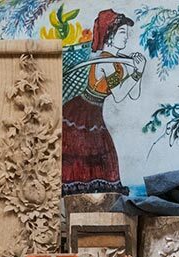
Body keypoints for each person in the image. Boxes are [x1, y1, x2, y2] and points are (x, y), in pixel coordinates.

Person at [62, 9, 144, 195]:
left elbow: (133, 94)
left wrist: (137, 73)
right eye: (122, 32)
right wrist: (137, 73)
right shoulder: (105, 61)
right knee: (89, 155)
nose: (126, 37)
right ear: (109, 35)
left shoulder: (119, 61)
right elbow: (120, 95)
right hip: (80, 112)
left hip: (94, 113)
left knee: (103, 155)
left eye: (126, 33)